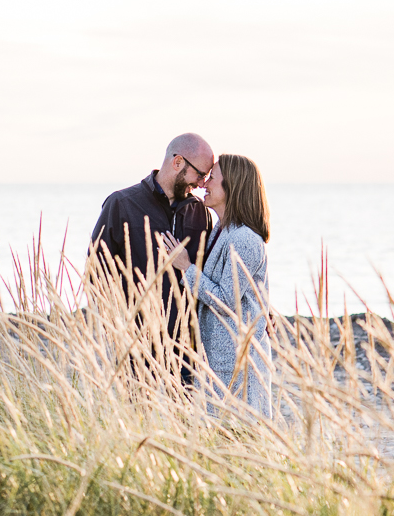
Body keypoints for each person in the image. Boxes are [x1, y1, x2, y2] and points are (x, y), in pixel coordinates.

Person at [89, 133, 215, 385]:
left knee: (181, 422)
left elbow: (211, 274)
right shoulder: (121, 204)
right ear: (177, 162)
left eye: (207, 177)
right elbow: (97, 274)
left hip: (185, 350)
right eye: (200, 174)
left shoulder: (200, 213)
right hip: (137, 347)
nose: (202, 183)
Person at [162, 153, 272, 418]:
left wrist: (186, 267)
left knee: (242, 442)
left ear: (231, 187)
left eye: (212, 177)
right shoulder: (221, 230)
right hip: (219, 361)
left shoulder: (244, 238)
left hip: (238, 365)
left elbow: (226, 299)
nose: (204, 184)